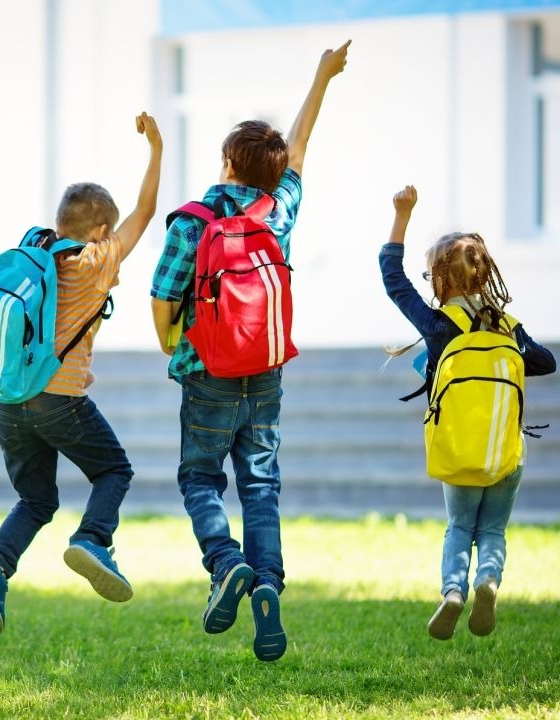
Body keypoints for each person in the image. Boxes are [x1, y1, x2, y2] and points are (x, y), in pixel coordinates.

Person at [149, 41, 350, 662]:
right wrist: (322, 76)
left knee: (199, 478)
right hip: (264, 373)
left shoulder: (194, 220)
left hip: (205, 370)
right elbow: (301, 147)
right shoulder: (277, 212)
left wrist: (172, 348)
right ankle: (267, 587)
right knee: (260, 485)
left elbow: (163, 297)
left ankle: (226, 562)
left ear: (226, 163)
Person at [0, 113, 163, 635]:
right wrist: (156, 148)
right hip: (62, 398)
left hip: (11, 398)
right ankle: (93, 539)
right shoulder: (96, 260)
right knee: (114, 472)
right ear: (100, 229)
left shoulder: (35, 252)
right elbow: (146, 211)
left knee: (35, 498)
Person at [381, 185, 557, 640]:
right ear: (485, 276)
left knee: (460, 526)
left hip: (459, 451)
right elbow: (545, 362)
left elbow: (392, 279)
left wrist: (402, 214)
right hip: (505, 453)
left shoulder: (441, 326)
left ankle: (454, 591)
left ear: (440, 281)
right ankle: (488, 581)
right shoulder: (508, 327)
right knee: (493, 530)